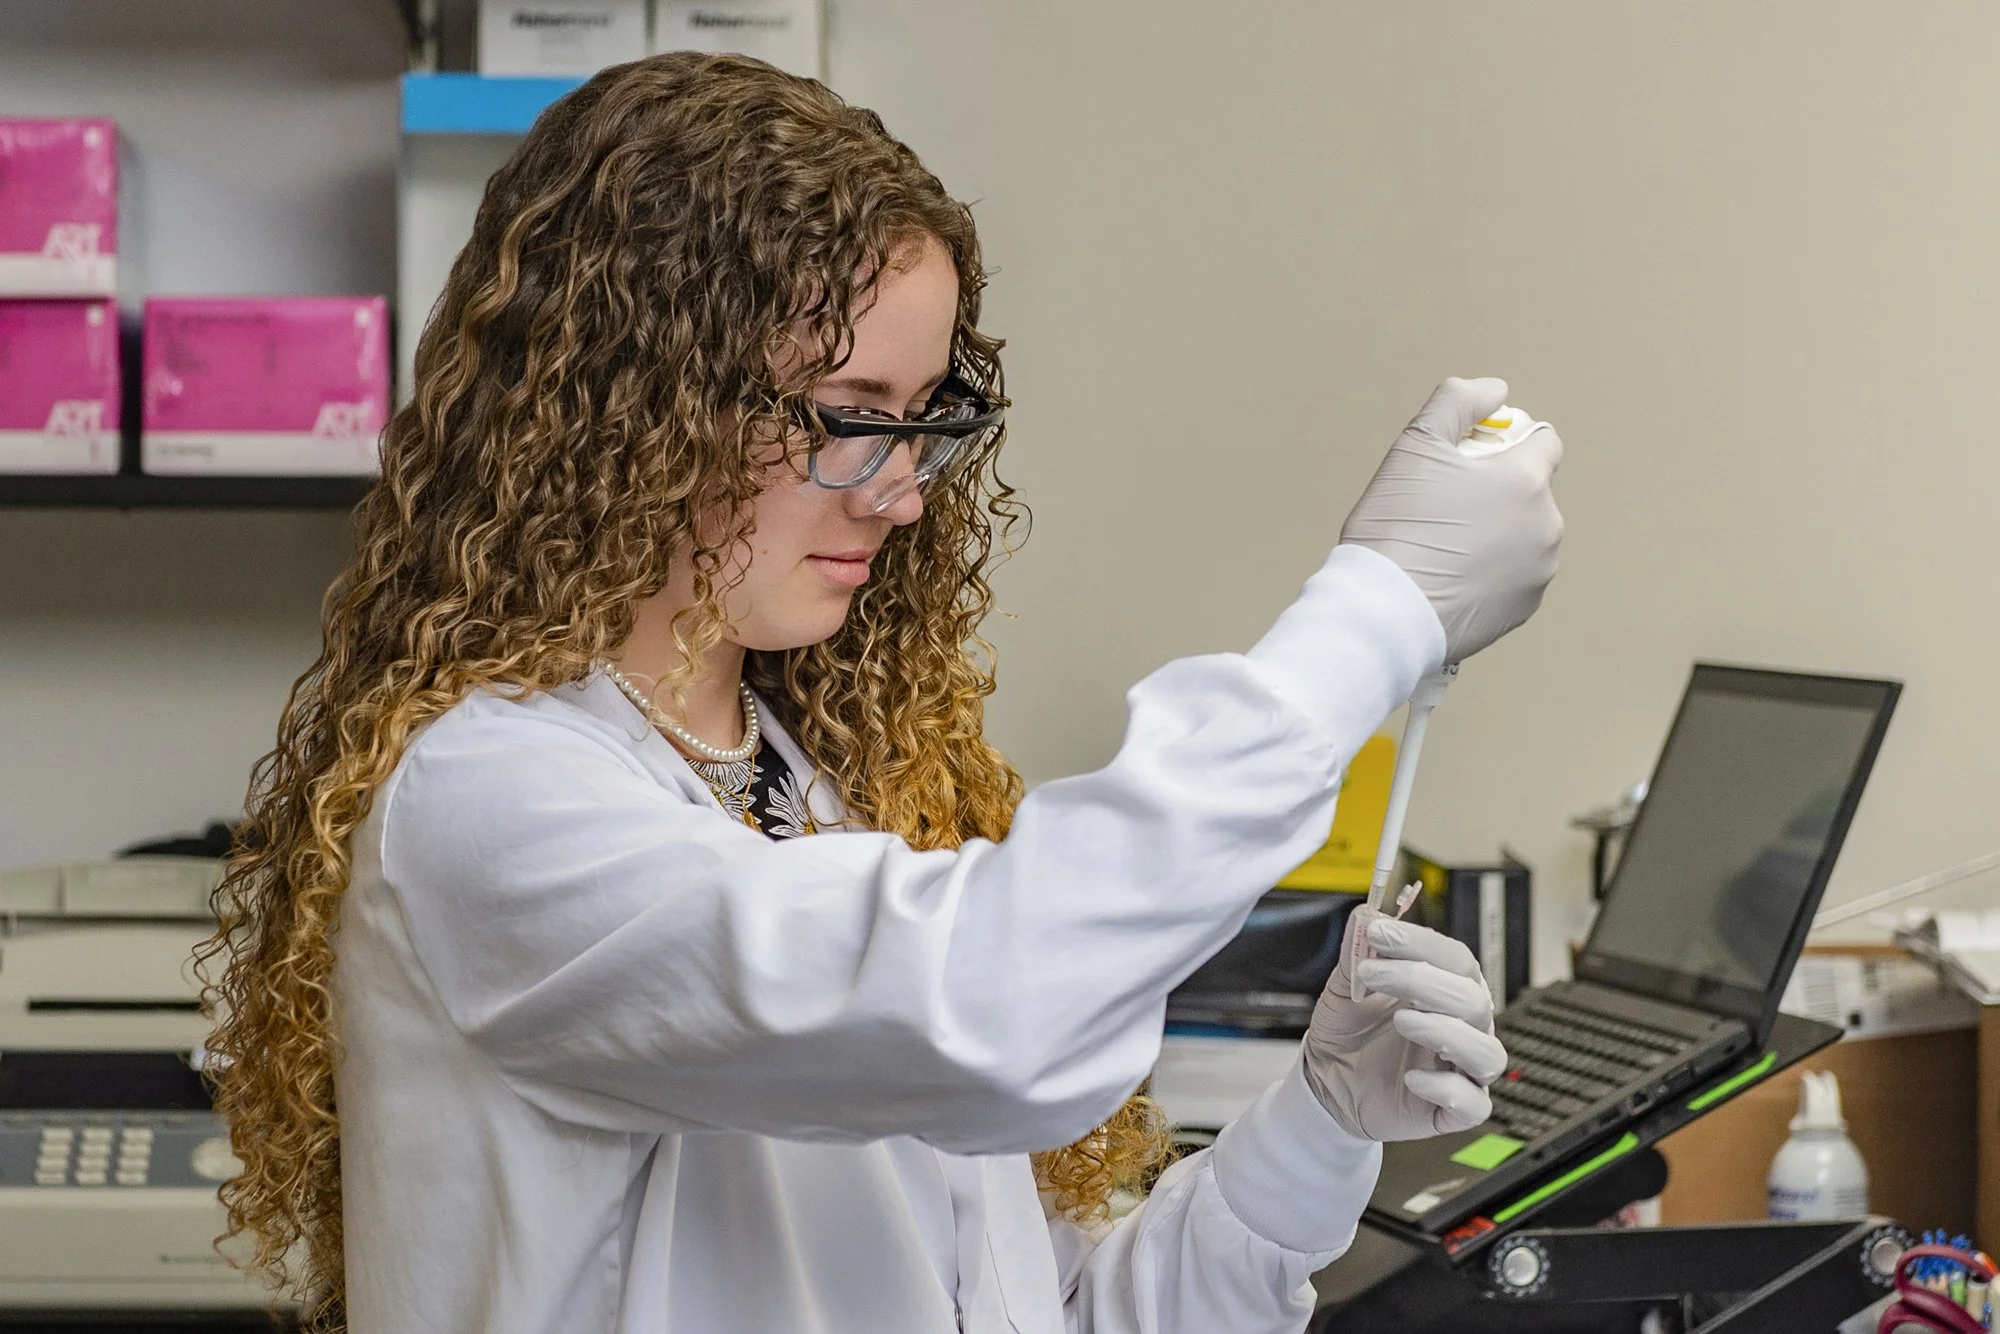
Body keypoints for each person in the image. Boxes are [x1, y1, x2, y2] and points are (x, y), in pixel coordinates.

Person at [201, 52, 1562, 1334]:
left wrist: (1319, 1126)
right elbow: (1000, 1006)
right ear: (638, 404)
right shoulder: (494, 808)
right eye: (853, 417)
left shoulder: (821, 785)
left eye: (923, 423)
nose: (903, 495)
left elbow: (1034, 1311)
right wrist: (1377, 611)